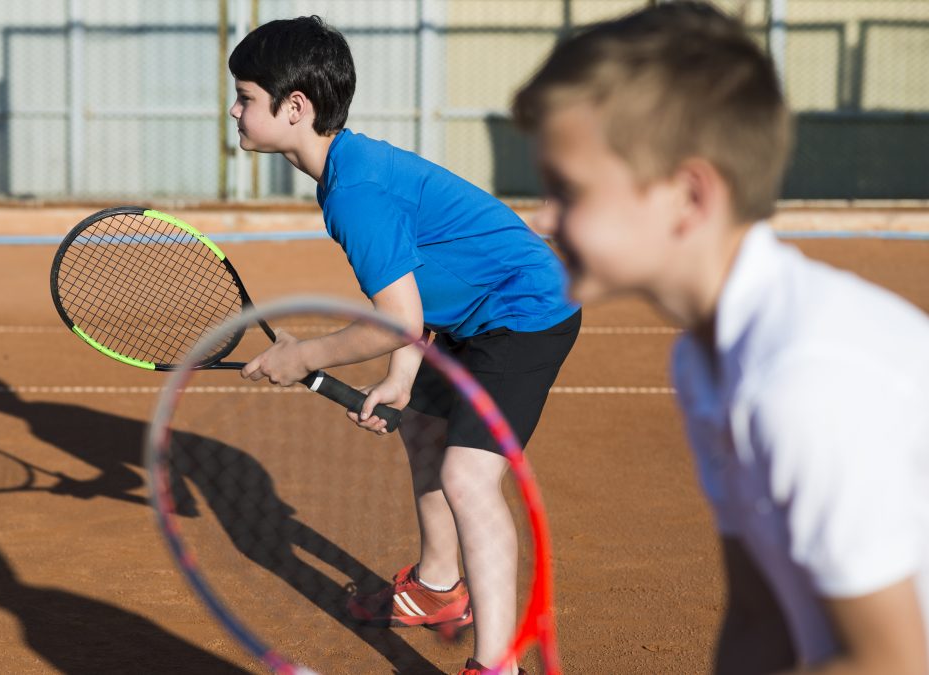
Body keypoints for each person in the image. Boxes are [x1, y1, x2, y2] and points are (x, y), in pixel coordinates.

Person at [513, 2, 929, 673]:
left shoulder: (803, 379)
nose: (543, 218)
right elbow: (759, 614)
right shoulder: (705, 359)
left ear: (689, 197)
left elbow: (892, 663)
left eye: (568, 189)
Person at [227, 15, 581, 674]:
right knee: (420, 426)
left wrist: (302, 355)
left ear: (295, 108)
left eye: (246, 97)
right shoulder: (350, 169)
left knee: (468, 475)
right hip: (471, 313)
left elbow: (398, 322)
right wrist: (401, 374)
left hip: (525, 311)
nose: (235, 110)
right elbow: (408, 316)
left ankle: (498, 664)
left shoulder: (356, 192)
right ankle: (439, 588)